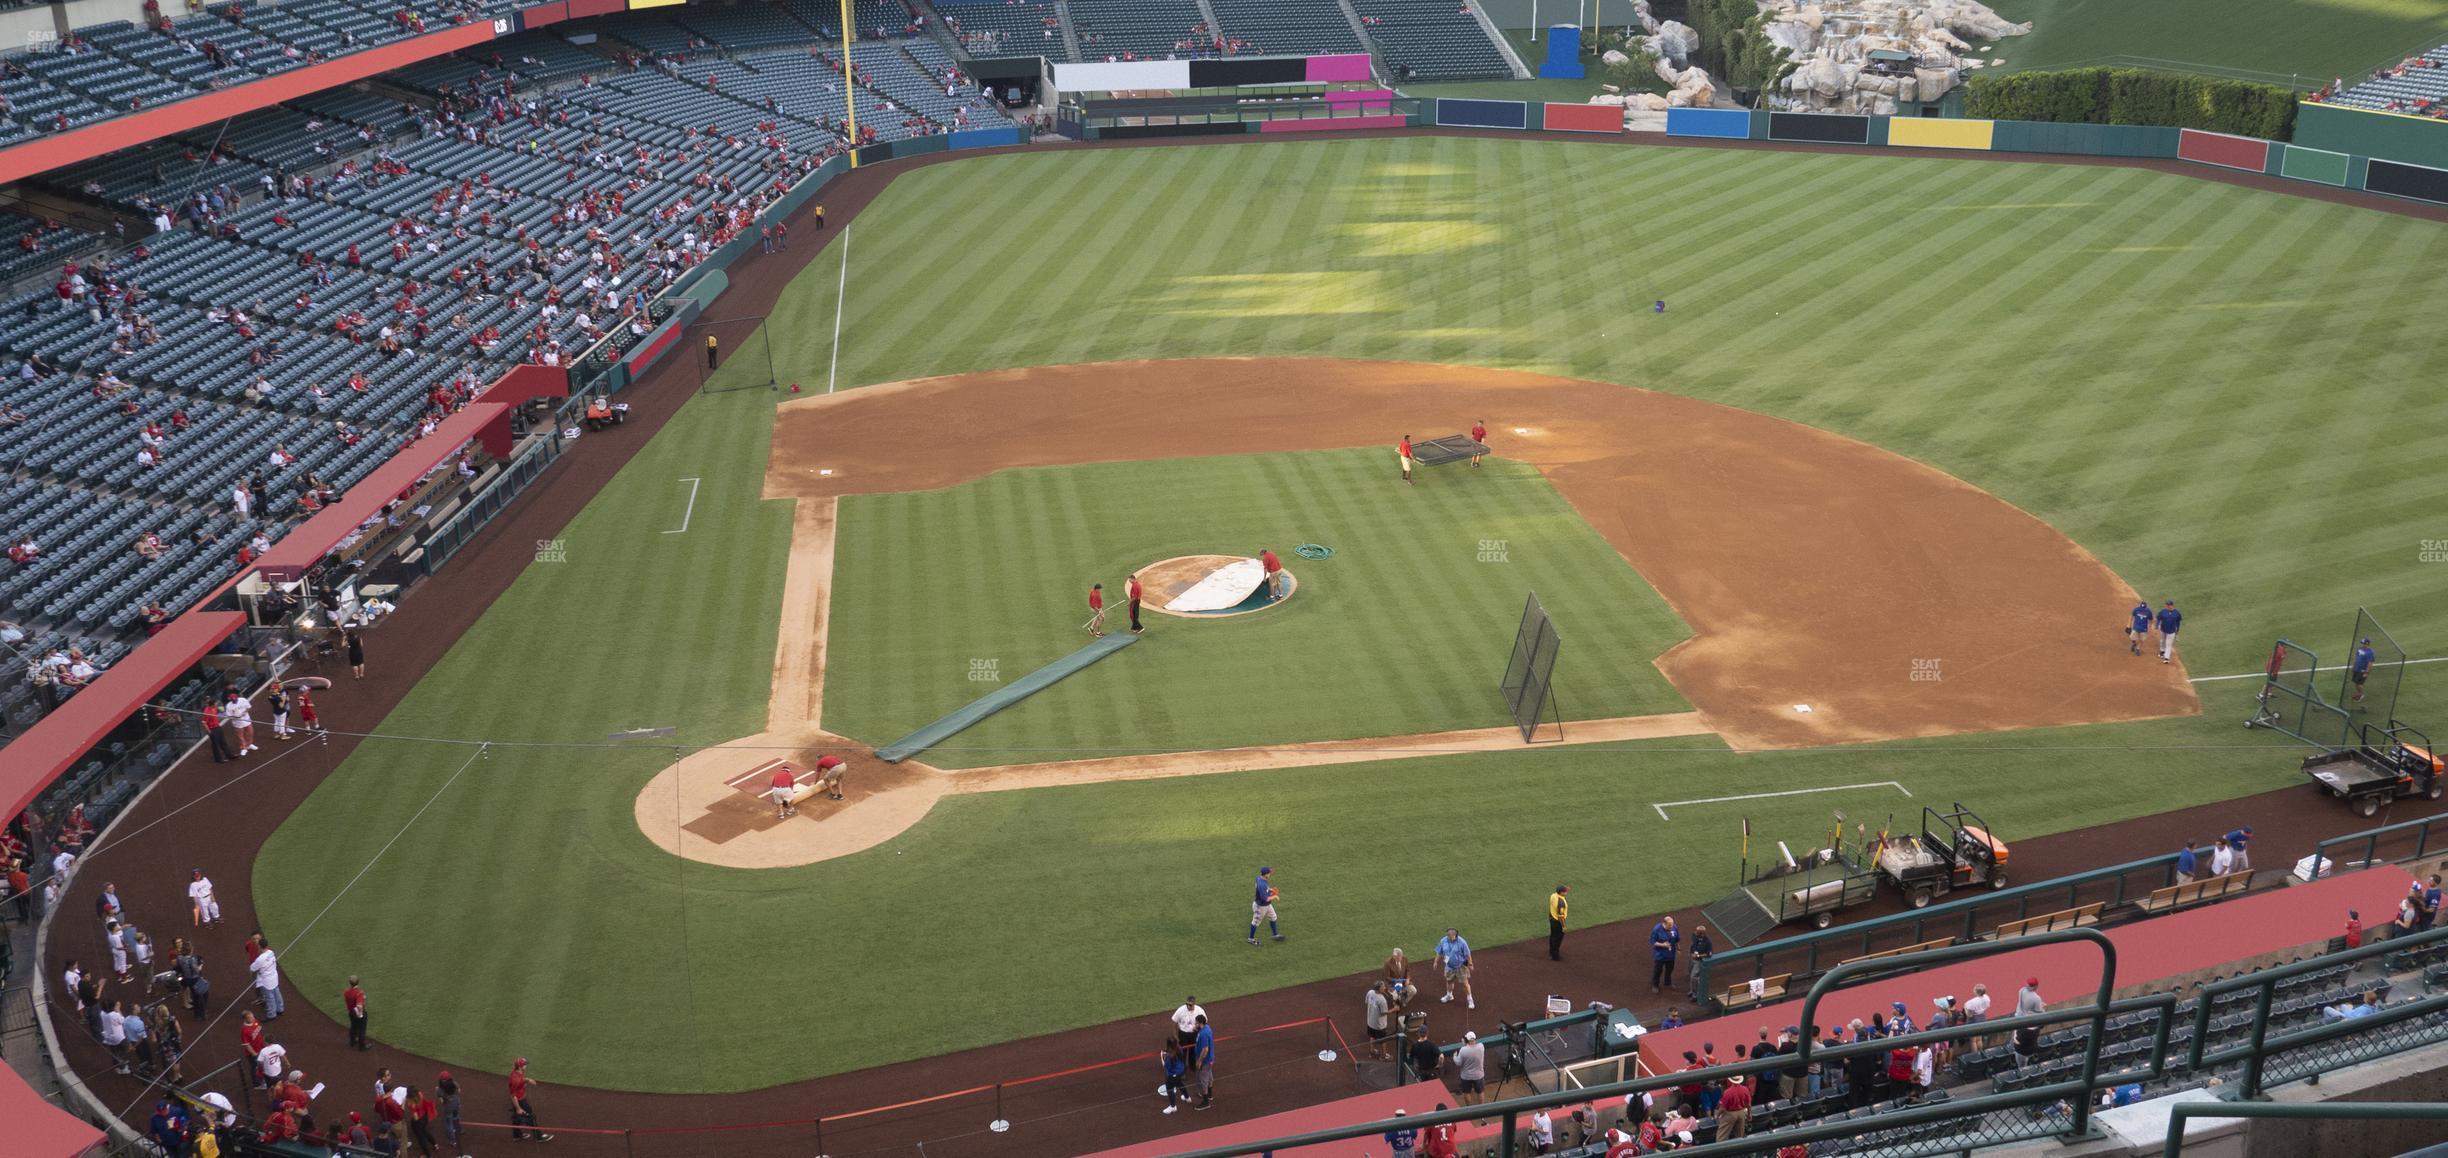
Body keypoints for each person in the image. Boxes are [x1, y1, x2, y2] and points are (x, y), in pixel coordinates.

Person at [507, 1056, 551, 1141]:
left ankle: (517, 1135)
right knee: (531, 1116)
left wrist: (527, 1080)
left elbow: (520, 1079)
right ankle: (539, 1137)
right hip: (520, 1101)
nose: (526, 1066)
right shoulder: (516, 1080)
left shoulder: (518, 1071)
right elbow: (513, 1095)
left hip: (519, 1099)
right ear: (520, 1066)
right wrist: (518, 1108)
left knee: (516, 1117)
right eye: (524, 1064)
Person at [1435, 927, 1474, 1009]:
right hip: (1449, 966)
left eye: (1449, 935)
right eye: (1447, 935)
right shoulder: (1443, 940)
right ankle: (1449, 995)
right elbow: (1439, 951)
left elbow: (1468, 954)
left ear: (1454, 935)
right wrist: (1435, 962)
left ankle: (1470, 1000)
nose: (1447, 937)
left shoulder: (1462, 942)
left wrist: (1470, 964)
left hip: (1460, 966)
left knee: (1465, 984)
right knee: (1449, 981)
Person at [1248, 866, 1282, 944]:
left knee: (1273, 917)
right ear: (1265, 874)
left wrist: (1270, 890)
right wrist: (1275, 896)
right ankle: (1251, 939)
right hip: (1260, 907)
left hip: (1267, 905)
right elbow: (1265, 899)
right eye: (1269, 873)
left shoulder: (1260, 878)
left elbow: (1265, 890)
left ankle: (1275, 934)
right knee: (1255, 922)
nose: (1270, 874)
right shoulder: (1262, 885)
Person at [249, 940, 283, 1019]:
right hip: (274, 977)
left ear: (259, 946)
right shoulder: (271, 952)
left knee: (269, 997)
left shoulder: (260, 959)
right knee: (277, 994)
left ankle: (271, 1014)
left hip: (266, 981)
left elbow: (252, 968)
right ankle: (280, 1009)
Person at [1454, 1030, 1486, 1105]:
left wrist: (1454, 1056)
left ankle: (1469, 1109)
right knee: (1480, 1091)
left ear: (1466, 1040)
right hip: (1478, 1075)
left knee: (1467, 1092)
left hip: (1466, 1076)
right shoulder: (1481, 1047)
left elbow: (1458, 1063)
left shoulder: (1463, 1050)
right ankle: (1482, 1110)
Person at [1716, 1072, 1752, 1138]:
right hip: (1741, 1113)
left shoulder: (1727, 1092)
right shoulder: (1745, 1089)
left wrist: (1717, 1115)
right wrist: (1749, 1115)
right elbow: (1748, 1104)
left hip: (1730, 1114)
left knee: (1721, 1137)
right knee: (1740, 1136)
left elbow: (1723, 1108)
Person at [1364, 981, 1394, 1060]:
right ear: (1379, 988)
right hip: (1379, 1025)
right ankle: (1384, 1055)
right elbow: (1384, 1012)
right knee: (1383, 1040)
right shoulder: (1382, 1000)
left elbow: (1366, 1002)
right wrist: (1394, 1009)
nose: (1385, 987)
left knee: (1372, 1036)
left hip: (1370, 1022)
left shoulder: (1370, 992)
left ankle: (1372, 1051)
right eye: (1383, 987)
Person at [1649, 916, 1680, 992]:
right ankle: (1655, 985)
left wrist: (1678, 948)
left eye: (1672, 924)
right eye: (1669, 925)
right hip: (1660, 955)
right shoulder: (1657, 929)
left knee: (1669, 969)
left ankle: (1667, 982)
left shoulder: (1674, 927)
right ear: (1664, 924)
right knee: (1658, 970)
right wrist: (1663, 945)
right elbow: (1652, 941)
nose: (1671, 927)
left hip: (1671, 954)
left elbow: (1677, 939)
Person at [1192, 1014, 1215, 1109]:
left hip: (1205, 1061)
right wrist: (1196, 1029)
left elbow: (1205, 1049)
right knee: (1209, 1076)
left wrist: (1199, 1061)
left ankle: (1206, 1102)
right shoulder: (1207, 1028)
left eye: (1196, 1023)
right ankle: (1210, 1095)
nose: (1195, 1024)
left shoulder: (1203, 1034)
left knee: (1203, 1080)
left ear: (1200, 1023)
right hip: (1210, 1059)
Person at [345, 975, 369, 1050]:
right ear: (358, 982)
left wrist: (362, 997)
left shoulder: (346, 991)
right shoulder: (359, 993)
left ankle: (352, 1042)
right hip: (358, 1013)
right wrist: (360, 1015)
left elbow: (351, 998)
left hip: (351, 1012)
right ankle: (362, 1046)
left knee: (353, 1027)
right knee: (361, 1029)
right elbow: (359, 1005)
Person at [2156, 599, 2182, 664]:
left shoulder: (2177, 613)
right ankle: (2162, 651)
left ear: (2172, 606)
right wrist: (2157, 625)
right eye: (2166, 605)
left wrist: (2178, 630)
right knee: (2162, 640)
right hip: (2163, 630)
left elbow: (2178, 622)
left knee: (2168, 644)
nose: (2167, 606)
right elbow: (2158, 618)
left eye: (2168, 605)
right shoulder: (2163, 611)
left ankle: (2166, 658)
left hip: (2171, 631)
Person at [1548, 883, 1569, 961]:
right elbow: (1561, 916)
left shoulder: (1553, 895)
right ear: (1561, 892)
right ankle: (1555, 956)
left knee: (1553, 936)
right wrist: (1563, 926)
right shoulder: (1561, 903)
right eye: (1565, 891)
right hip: (1558, 922)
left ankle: (1551, 951)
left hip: (1551, 918)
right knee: (1557, 939)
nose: (1566, 892)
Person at [2352, 638, 2377, 704]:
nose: (2362, 644)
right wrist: (2354, 666)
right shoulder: (2359, 649)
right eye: (2362, 643)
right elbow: (2356, 658)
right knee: (2356, 682)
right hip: (2357, 669)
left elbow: (2370, 663)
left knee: (2359, 684)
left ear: (2367, 644)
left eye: (2363, 643)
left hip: (2362, 671)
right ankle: (2358, 693)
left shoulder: (2370, 652)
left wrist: (2367, 672)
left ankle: (2361, 695)